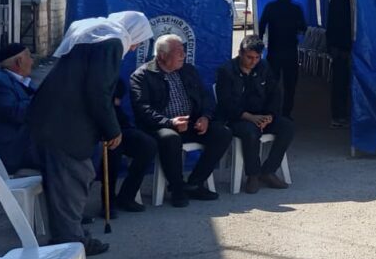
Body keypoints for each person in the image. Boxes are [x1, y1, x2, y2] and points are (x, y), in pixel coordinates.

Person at [27, 10, 153, 256]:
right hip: (66, 125)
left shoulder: (93, 37)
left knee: (69, 181)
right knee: (73, 179)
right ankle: (70, 243)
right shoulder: (111, 42)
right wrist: (112, 129)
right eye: (138, 40)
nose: (135, 46)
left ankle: (72, 235)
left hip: (54, 119)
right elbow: (98, 91)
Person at [130, 34, 233, 208]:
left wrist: (205, 117)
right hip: (160, 126)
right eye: (178, 52)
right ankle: (177, 188)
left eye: (184, 51)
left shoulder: (188, 70)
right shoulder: (142, 75)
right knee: (170, 138)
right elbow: (143, 110)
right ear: (162, 55)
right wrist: (170, 122)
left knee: (222, 133)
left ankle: (194, 183)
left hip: (190, 123)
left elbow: (205, 97)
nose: (183, 55)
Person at [216, 35, 296, 193]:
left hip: (262, 115)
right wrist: (250, 117)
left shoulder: (264, 67)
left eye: (257, 58)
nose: (253, 62)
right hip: (238, 118)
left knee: (287, 127)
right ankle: (253, 174)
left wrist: (270, 116)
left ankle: (268, 171)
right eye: (249, 57)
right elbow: (226, 103)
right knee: (250, 132)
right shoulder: (226, 71)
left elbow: (275, 93)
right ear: (240, 53)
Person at [0, 42, 41, 174]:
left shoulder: (21, 80)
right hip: (16, 150)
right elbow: (16, 113)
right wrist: (42, 97)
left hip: (28, 142)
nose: (32, 61)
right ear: (19, 61)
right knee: (66, 155)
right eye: (29, 57)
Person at [100, 78, 156, 214]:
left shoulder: (112, 76)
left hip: (119, 124)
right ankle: (108, 201)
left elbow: (118, 91)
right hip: (98, 128)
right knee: (113, 152)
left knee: (148, 144)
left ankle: (127, 195)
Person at [258, 0, 308, 118]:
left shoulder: (270, 7)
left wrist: (259, 45)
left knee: (271, 83)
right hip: (290, 51)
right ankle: (286, 113)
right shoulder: (296, 9)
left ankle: (271, 111)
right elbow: (303, 28)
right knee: (290, 85)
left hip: (274, 50)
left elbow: (261, 26)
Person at [326, 0, 352, 128]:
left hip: (339, 47)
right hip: (343, 48)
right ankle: (340, 115)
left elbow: (330, 24)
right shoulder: (344, 0)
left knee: (340, 83)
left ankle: (339, 115)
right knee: (341, 83)